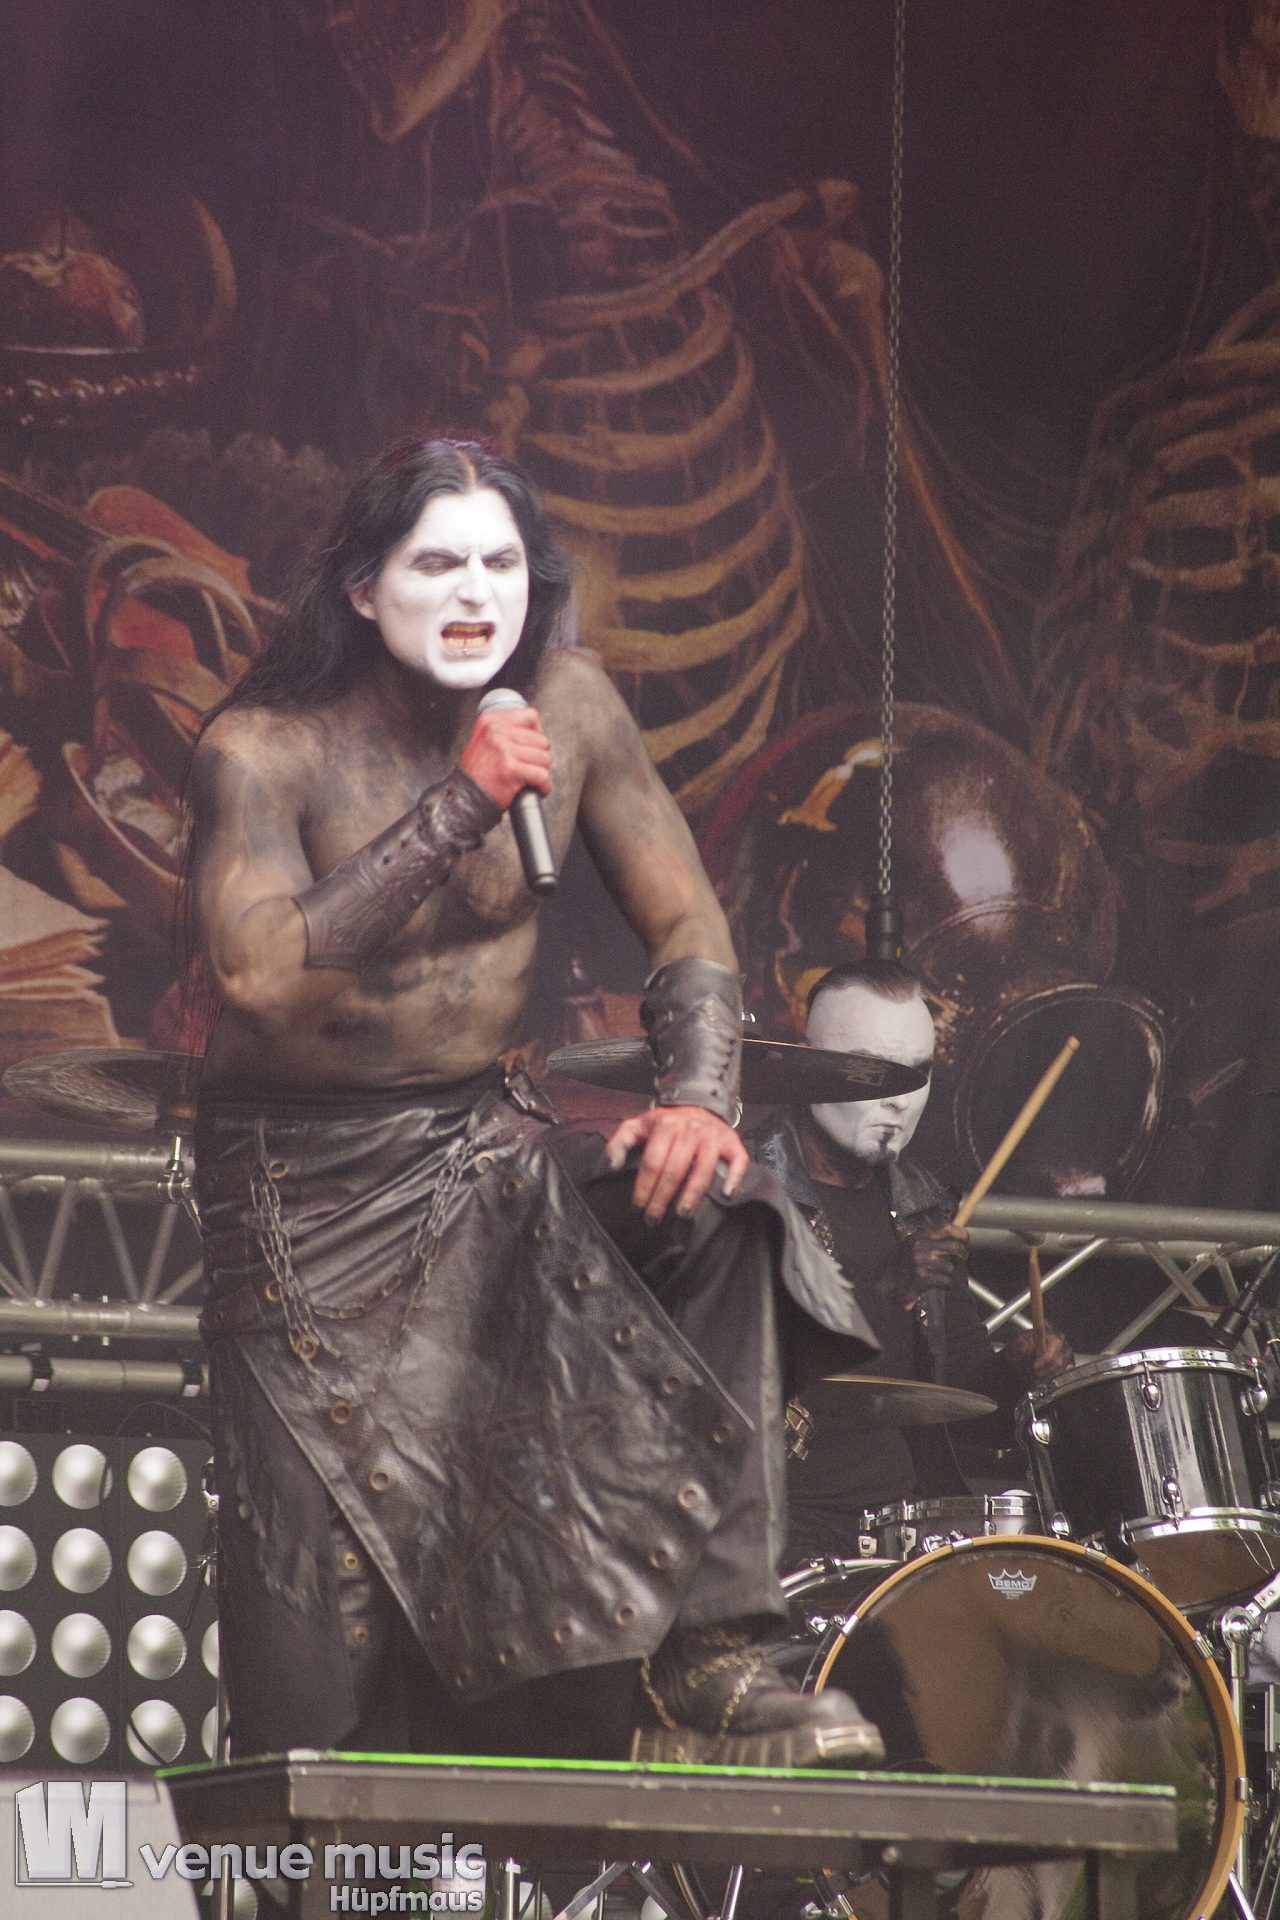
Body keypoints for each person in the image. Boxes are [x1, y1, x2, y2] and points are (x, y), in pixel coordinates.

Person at [183, 435, 887, 1770]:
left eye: (501, 564)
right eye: (436, 563)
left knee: (724, 1210)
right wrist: (463, 802)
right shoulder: (263, 749)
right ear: (363, 590)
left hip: (479, 1151)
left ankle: (715, 1656)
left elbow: (686, 919)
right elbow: (258, 976)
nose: (474, 593)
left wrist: (699, 1098)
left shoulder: (572, 706)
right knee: (313, 1710)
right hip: (304, 1206)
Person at [749, 959, 1071, 1566]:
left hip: (910, 1528)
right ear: (808, 1064)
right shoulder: (742, 1189)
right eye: (876, 1071)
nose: (898, 1100)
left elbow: (959, 1401)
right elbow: (742, 1378)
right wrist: (888, 1288)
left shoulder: (921, 1203)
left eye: (917, 1074)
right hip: (774, 1531)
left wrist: (1018, 1372)